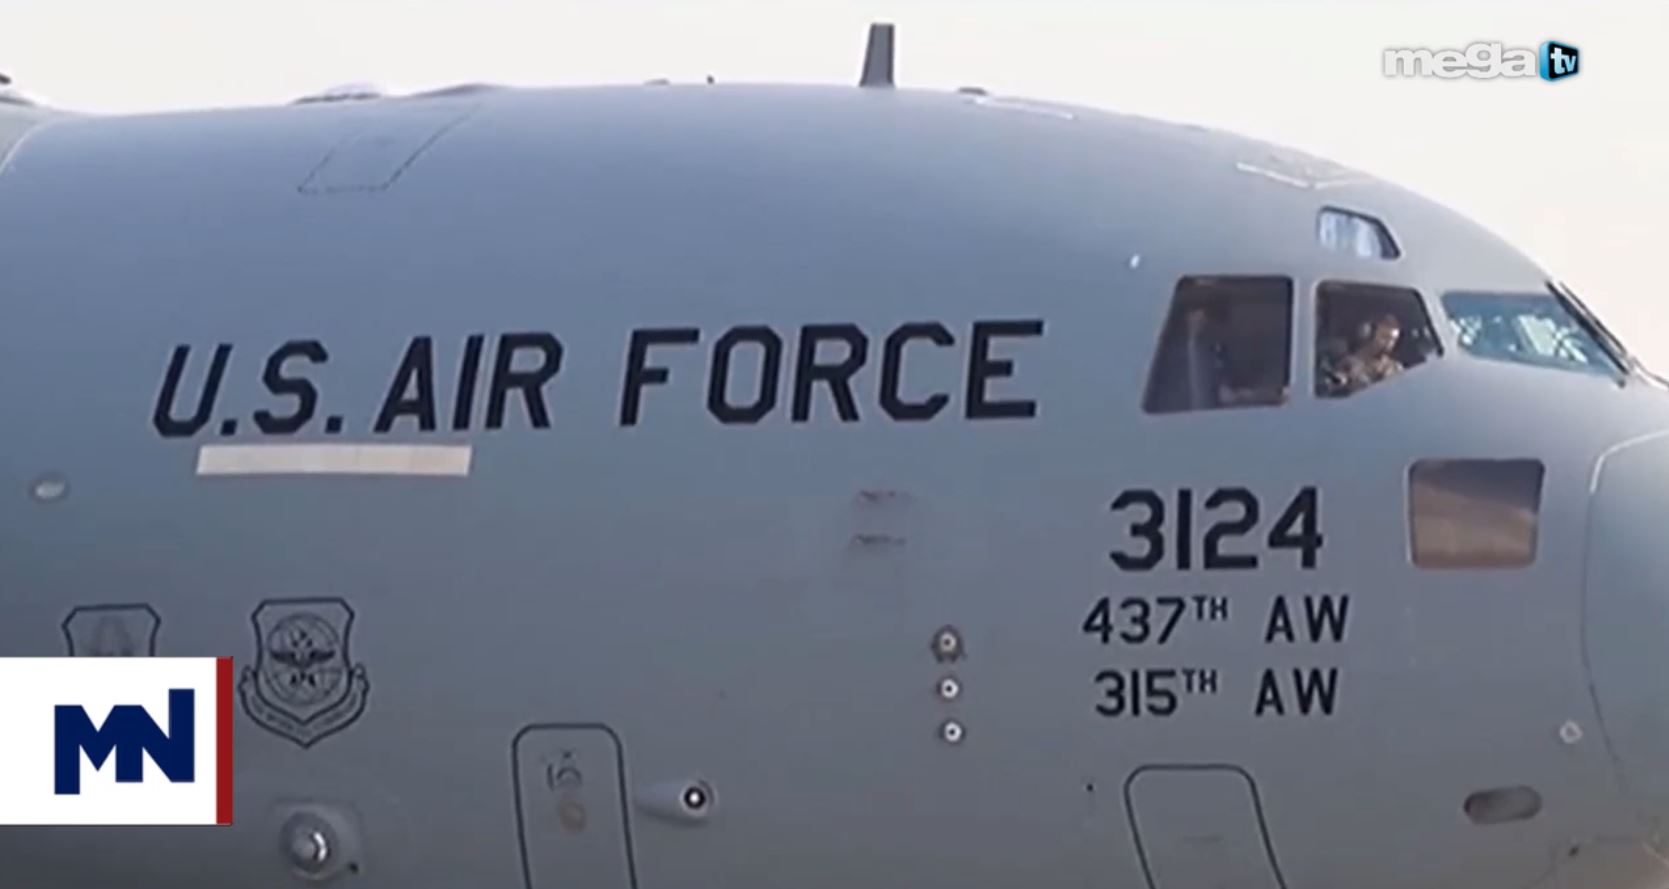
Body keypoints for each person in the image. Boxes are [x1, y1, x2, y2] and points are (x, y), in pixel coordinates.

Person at [1148, 303, 1230, 412]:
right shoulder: (1169, 355)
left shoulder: (1215, 354)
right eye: (1196, 316)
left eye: (1203, 318)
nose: (1199, 321)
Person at [1334, 312, 1405, 395]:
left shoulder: (1395, 368)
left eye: (1393, 340)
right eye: (1384, 337)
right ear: (1372, 334)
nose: (1389, 343)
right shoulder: (1350, 363)